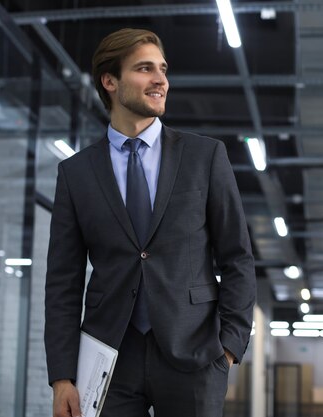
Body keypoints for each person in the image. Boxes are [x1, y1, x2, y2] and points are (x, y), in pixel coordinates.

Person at [45, 28, 256, 417]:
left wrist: (228, 347)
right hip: (108, 360)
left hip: (194, 354)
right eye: (144, 69)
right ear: (110, 81)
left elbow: (237, 258)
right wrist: (62, 378)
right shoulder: (76, 173)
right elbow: (63, 282)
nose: (160, 80)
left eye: (162, 69)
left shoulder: (204, 156)